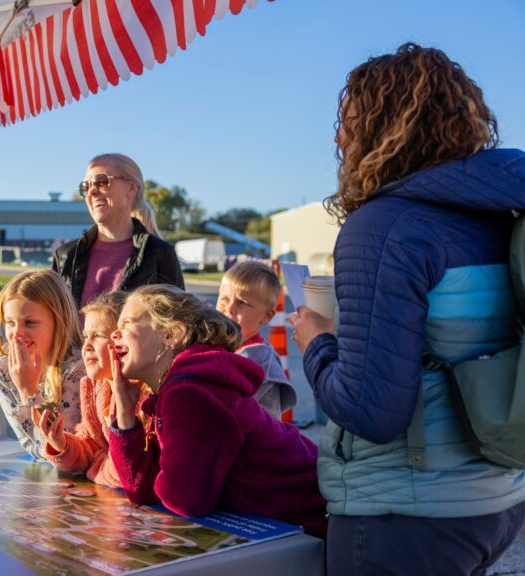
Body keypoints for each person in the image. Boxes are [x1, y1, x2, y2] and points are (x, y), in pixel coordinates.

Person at [288, 43, 525, 574]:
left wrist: (317, 344)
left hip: (406, 514)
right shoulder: (499, 214)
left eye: (348, 122)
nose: (338, 138)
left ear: (386, 128)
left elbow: (372, 411)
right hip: (496, 498)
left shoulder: (384, 228)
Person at [107, 285, 327, 538]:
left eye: (127, 323)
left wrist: (162, 476)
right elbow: (142, 490)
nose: (114, 334)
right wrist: (124, 414)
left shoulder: (191, 392)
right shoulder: (179, 388)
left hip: (320, 520)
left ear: (171, 334)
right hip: (296, 522)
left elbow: (185, 499)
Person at [37, 291, 152, 487]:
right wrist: (62, 444)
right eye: (85, 337)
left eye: (98, 336)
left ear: (122, 341)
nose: (87, 346)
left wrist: (95, 469)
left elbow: (129, 469)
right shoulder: (94, 385)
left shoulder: (144, 394)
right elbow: (91, 443)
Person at [52, 153, 185, 309]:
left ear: (131, 188)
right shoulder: (65, 256)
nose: (91, 192)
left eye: (101, 181)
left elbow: (178, 324)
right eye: (85, 186)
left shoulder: (159, 254)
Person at [0, 270, 85, 460]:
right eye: (10, 323)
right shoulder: (2, 369)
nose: (17, 333)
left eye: (30, 322)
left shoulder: (78, 369)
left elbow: (59, 453)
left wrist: (29, 391)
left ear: (59, 320)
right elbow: (30, 446)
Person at [216, 261, 296, 418]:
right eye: (224, 299)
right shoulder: (220, 346)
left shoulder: (256, 361)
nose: (230, 308)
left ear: (267, 315)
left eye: (242, 303)